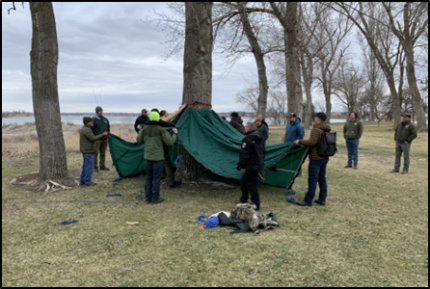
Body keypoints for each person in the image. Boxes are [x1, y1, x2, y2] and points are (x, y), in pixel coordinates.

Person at [137, 111, 178, 204]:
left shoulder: (145, 129)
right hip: (158, 158)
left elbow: (139, 140)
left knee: (149, 178)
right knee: (156, 178)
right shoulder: (161, 129)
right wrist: (175, 134)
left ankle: (148, 198)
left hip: (147, 158)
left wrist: (140, 130)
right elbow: (170, 142)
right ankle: (155, 198)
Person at [294, 113, 332, 207]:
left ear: (318, 119)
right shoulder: (326, 129)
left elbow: (312, 142)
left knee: (313, 179)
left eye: (315, 117)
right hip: (324, 157)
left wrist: (300, 141)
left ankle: (308, 200)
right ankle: (322, 199)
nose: (314, 119)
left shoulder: (316, 129)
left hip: (316, 158)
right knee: (322, 178)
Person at [237, 122, 266, 212]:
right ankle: (244, 199)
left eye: (246, 127)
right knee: (243, 181)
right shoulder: (260, 138)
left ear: (248, 129)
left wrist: (240, 165)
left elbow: (244, 154)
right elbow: (264, 151)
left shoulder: (248, 139)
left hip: (251, 165)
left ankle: (256, 204)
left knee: (251, 184)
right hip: (257, 163)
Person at [79, 117, 108, 186]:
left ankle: (82, 180)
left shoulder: (85, 129)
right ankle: (88, 181)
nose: (92, 122)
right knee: (89, 167)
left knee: (85, 166)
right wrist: (103, 134)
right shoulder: (87, 130)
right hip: (88, 151)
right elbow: (93, 138)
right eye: (91, 121)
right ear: (87, 123)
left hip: (86, 151)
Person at [92, 106, 111, 172]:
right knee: (95, 153)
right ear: (97, 112)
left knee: (103, 153)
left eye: (102, 111)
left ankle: (102, 165)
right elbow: (91, 130)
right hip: (97, 139)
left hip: (104, 139)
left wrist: (108, 134)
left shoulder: (105, 120)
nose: (101, 112)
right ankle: (94, 166)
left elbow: (108, 128)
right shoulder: (93, 120)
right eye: (100, 111)